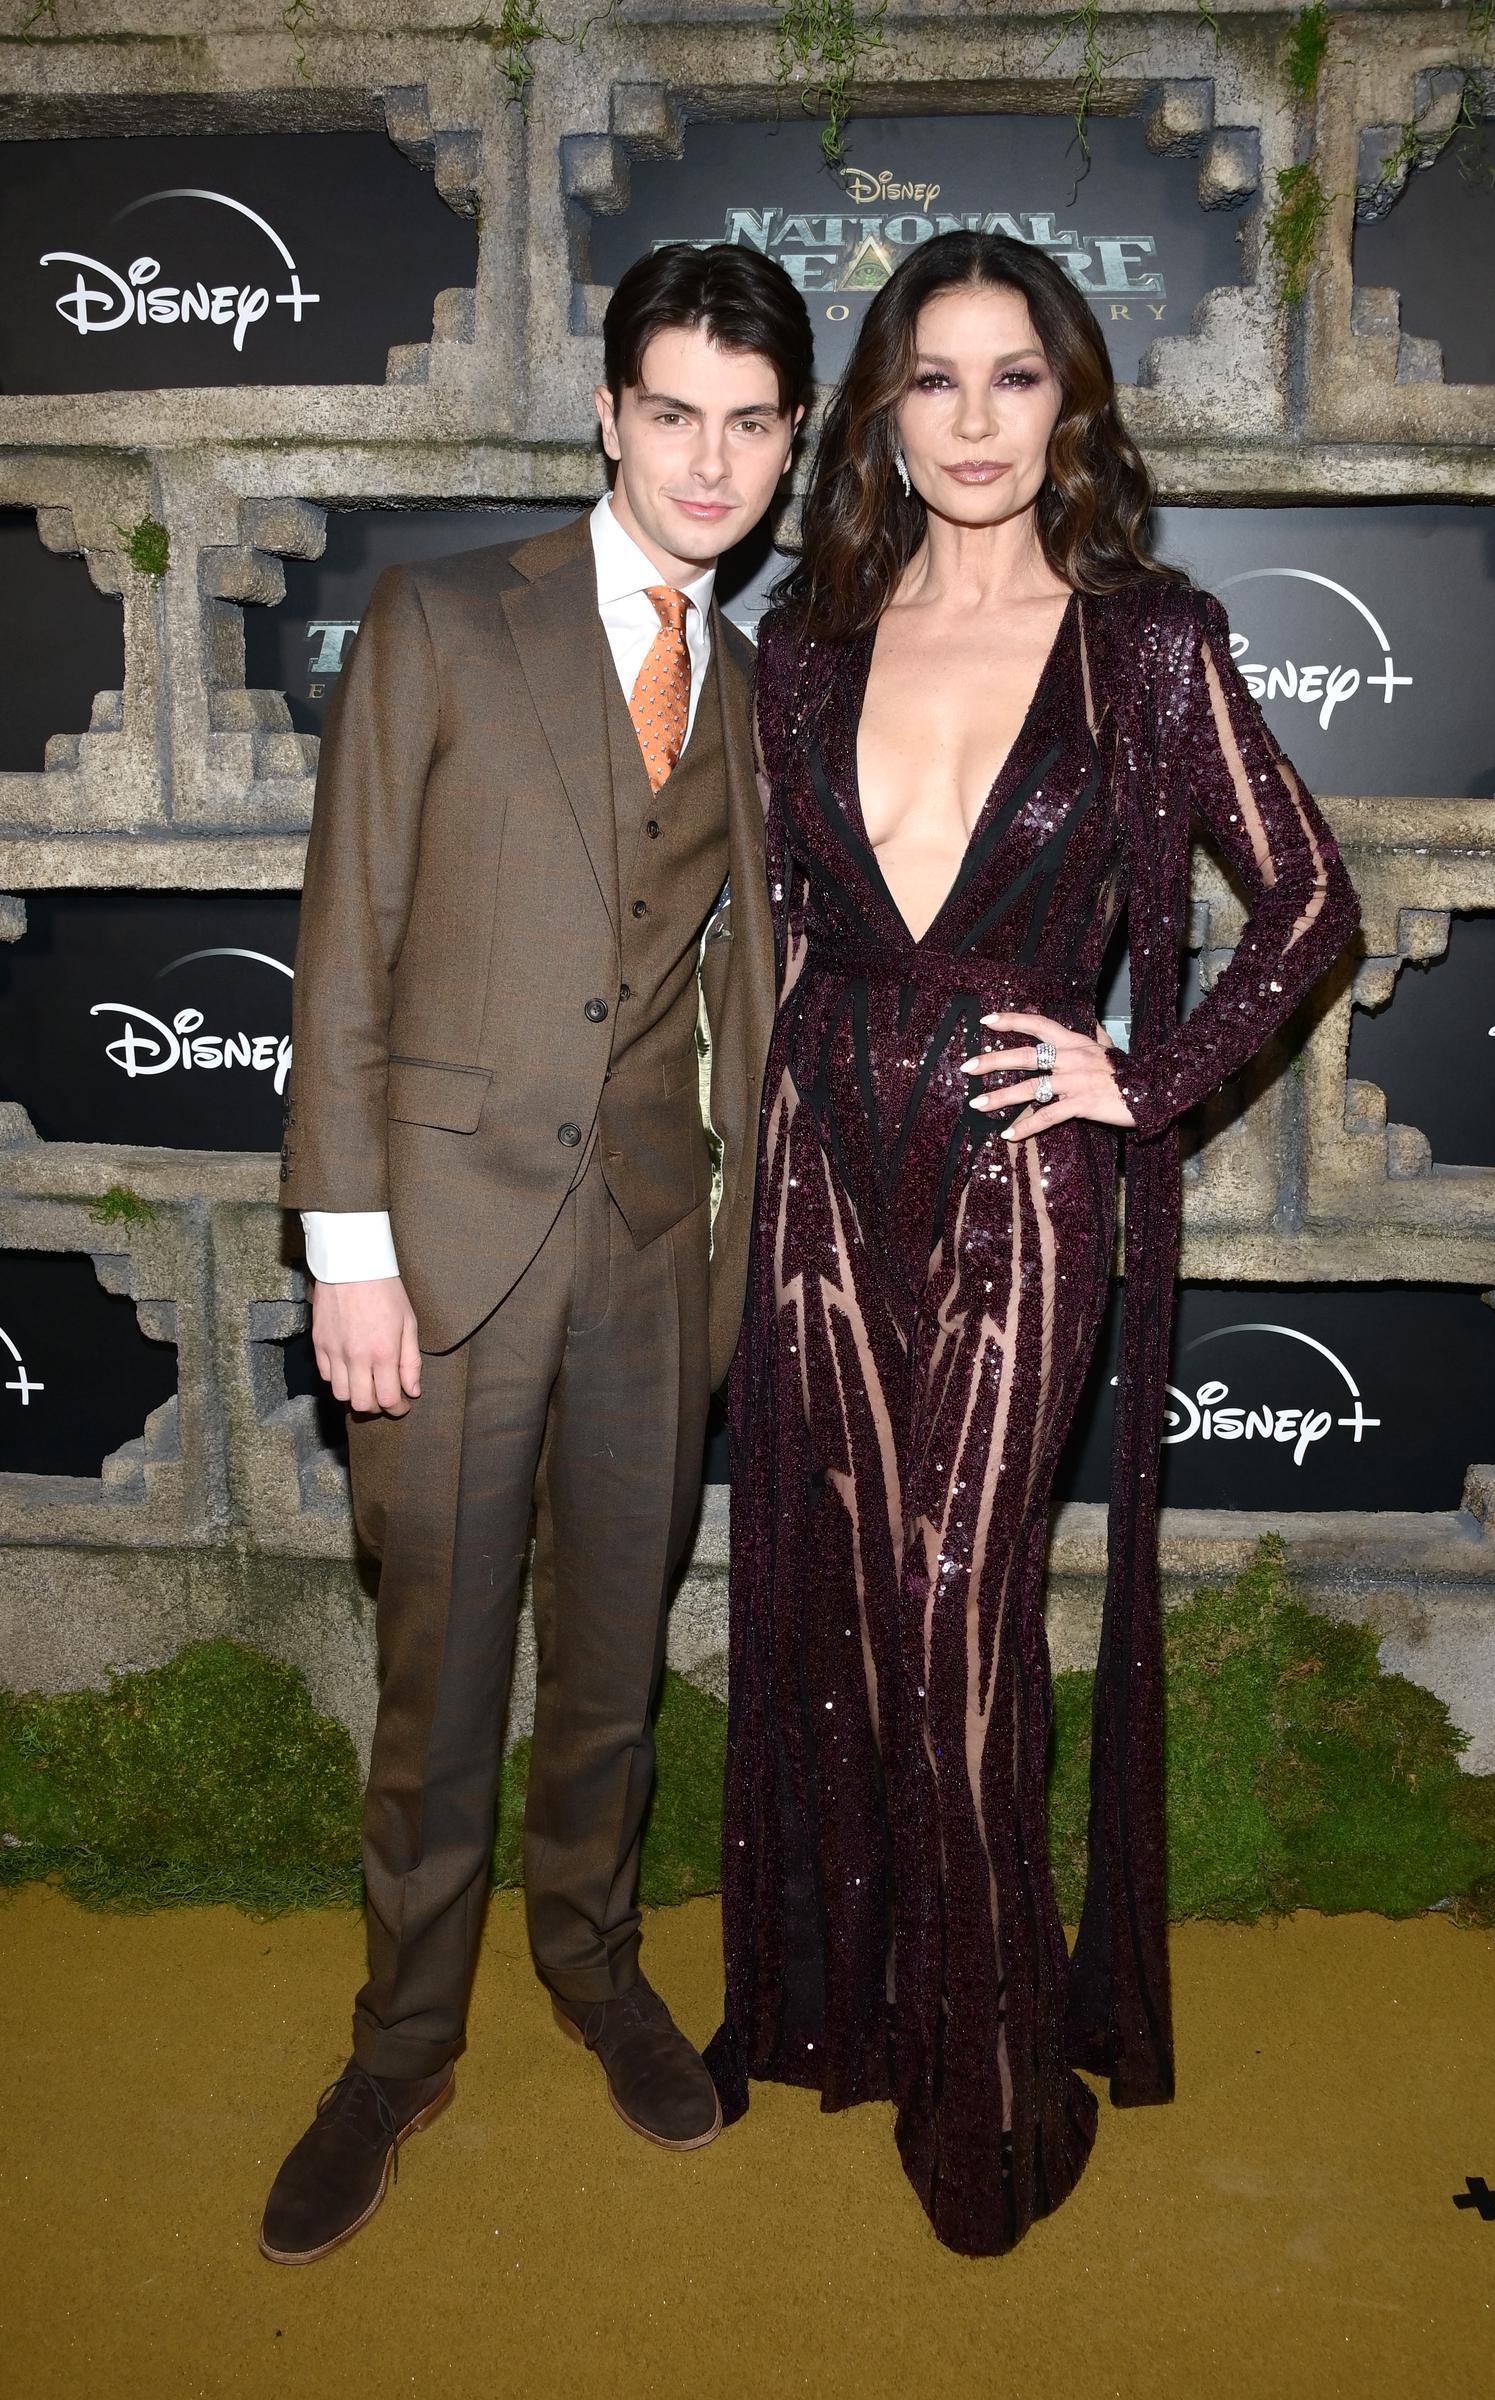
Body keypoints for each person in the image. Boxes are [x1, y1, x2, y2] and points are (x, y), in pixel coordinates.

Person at [703, 230, 1362, 2256]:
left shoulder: (1145, 642)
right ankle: (868, 2010)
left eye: (1012, 378)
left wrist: (1133, 1081)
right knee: (828, 1623)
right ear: (878, 415)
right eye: (932, 379)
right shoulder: (796, 643)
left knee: (950, 1617)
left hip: (1010, 1188)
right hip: (818, 1169)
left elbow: (1309, 907)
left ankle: (991, 2092)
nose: (973, 420)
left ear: (1066, 405)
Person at [262, 242, 811, 2265]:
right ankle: (397, 2047)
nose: (708, 459)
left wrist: (750, 1252)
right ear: (605, 413)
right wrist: (348, 1249)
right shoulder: (437, 622)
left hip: (654, 1259)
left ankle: (589, 1961)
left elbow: (740, 997)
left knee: (605, 1666)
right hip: (441, 1253)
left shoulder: (757, 698)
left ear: (782, 446)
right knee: (439, 1677)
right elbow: (344, 947)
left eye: (749, 424)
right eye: (671, 411)